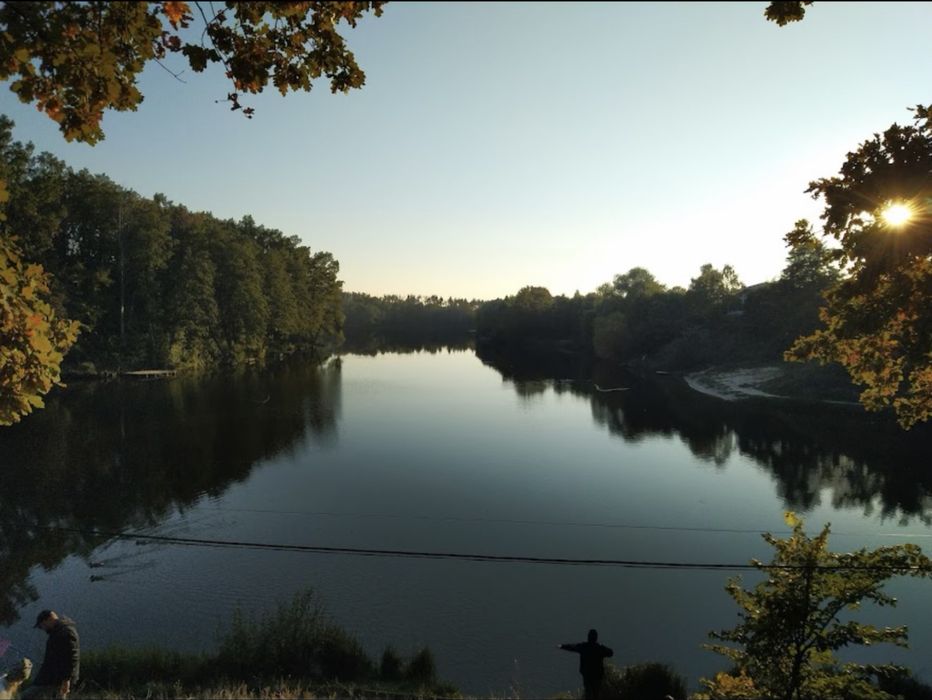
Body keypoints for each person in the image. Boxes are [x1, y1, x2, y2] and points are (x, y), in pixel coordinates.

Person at [21, 611, 79, 699]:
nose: (43, 628)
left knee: (26, 697)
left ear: (49, 619)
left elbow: (72, 658)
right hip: (51, 678)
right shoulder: (58, 632)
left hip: (56, 680)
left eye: (42, 625)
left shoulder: (66, 632)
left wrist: (66, 680)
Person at [558, 628, 613, 700]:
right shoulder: (599, 648)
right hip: (597, 675)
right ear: (596, 638)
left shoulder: (584, 646)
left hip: (587, 675)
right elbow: (610, 653)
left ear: (588, 637)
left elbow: (572, 647)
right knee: (596, 693)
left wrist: (562, 646)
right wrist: (601, 646)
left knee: (588, 693)